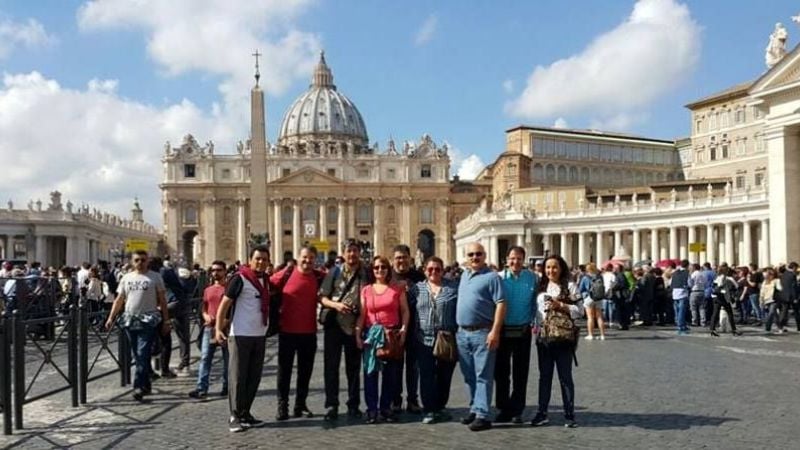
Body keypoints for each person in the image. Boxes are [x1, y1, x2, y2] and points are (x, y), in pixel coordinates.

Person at [215, 245, 271, 433]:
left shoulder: (265, 280)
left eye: (264, 259)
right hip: (240, 334)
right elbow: (224, 304)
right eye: (258, 258)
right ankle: (234, 416)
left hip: (259, 335)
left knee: (253, 377)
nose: (261, 262)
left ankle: (246, 413)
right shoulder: (240, 278)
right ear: (250, 259)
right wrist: (218, 328)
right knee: (238, 377)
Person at [104, 250, 171, 402]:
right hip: (130, 319)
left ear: (148, 261)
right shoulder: (126, 278)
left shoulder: (155, 277)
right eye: (137, 260)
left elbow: (162, 300)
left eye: (143, 260)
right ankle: (146, 383)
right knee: (138, 354)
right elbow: (119, 299)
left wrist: (166, 321)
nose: (140, 262)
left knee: (142, 352)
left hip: (148, 319)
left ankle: (138, 386)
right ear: (132, 262)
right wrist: (110, 317)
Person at [318, 240, 372, 421]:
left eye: (355, 251)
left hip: (355, 325)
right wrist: (337, 305)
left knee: (354, 367)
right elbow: (323, 298)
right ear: (343, 253)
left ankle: (353, 404)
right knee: (331, 367)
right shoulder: (334, 272)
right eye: (349, 251)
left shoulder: (366, 273)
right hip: (334, 324)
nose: (352, 255)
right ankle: (332, 404)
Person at [456, 242, 506, 432]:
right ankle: (475, 408)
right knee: (469, 375)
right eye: (471, 255)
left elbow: (501, 304)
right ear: (466, 257)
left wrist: (495, 331)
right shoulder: (464, 275)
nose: (474, 257)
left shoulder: (492, 277)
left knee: (483, 375)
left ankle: (483, 415)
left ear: (484, 256)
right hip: (462, 333)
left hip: (482, 332)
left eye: (478, 254)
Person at [355, 255, 410, 424]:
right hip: (372, 334)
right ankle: (372, 409)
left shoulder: (397, 288)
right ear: (372, 270)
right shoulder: (366, 290)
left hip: (391, 334)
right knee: (370, 374)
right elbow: (363, 315)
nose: (380, 270)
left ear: (388, 270)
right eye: (376, 267)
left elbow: (405, 311)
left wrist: (404, 329)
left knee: (390, 375)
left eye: (383, 267)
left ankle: (385, 408)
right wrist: (357, 334)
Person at [270, 246, 322, 421]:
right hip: (287, 331)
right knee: (284, 371)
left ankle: (300, 404)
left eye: (311, 258)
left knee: (305, 372)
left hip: (309, 332)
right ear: (298, 257)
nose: (307, 261)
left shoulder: (318, 276)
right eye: (305, 257)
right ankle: (282, 405)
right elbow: (265, 286)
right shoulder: (285, 274)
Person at [530, 255, 581, 429]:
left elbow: (579, 310)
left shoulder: (570, 286)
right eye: (548, 267)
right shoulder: (540, 287)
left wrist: (561, 305)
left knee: (565, 377)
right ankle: (542, 412)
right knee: (544, 377)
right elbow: (535, 312)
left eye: (555, 267)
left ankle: (569, 413)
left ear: (561, 268)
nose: (551, 271)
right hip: (543, 338)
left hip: (563, 338)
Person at [408, 256, 458, 424]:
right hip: (424, 339)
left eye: (437, 269)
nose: (434, 272)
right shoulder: (416, 289)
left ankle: (440, 407)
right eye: (430, 269)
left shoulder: (453, 288)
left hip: (446, 339)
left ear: (443, 270)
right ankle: (429, 409)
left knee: (445, 375)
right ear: (424, 270)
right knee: (427, 375)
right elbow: (407, 310)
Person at [494, 246, 536, 424]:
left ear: (523, 260)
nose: (515, 262)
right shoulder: (499, 279)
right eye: (512, 258)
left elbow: (536, 302)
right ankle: (503, 408)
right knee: (501, 373)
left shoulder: (532, 278)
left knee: (521, 373)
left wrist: (534, 321)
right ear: (506, 259)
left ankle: (517, 409)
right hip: (503, 330)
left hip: (523, 330)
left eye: (519, 258)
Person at [390, 244, 425, 414]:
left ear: (410, 259)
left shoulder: (418, 276)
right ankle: (395, 399)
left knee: (413, 366)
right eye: (398, 258)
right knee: (395, 365)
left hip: (414, 327)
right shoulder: (388, 276)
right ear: (393, 260)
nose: (401, 261)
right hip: (394, 327)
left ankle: (412, 399)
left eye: (404, 257)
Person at [188, 260, 229, 399]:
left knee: (227, 359)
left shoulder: (229, 288)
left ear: (225, 271)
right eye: (213, 270)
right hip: (209, 328)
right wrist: (206, 316)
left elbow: (232, 310)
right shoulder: (207, 290)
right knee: (205, 358)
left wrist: (223, 323)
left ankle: (227, 386)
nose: (215, 273)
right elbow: (204, 308)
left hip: (226, 329)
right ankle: (201, 388)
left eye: (219, 270)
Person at [710, 265, 741, 337]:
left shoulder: (716, 277)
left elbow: (713, 286)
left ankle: (712, 329)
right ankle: (734, 329)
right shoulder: (728, 278)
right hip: (723, 297)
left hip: (715, 296)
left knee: (715, 313)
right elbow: (736, 286)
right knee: (730, 313)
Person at [580, 263, 606, 340]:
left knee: (590, 317)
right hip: (599, 298)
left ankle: (590, 335)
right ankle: (602, 335)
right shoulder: (600, 276)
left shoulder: (585, 278)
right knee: (599, 317)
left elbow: (581, 288)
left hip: (589, 297)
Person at [761, 268, 785, 334]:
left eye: (771, 274)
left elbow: (780, 288)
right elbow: (762, 292)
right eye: (769, 275)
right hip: (767, 300)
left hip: (774, 300)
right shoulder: (765, 281)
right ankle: (780, 328)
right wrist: (761, 300)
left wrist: (777, 286)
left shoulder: (776, 280)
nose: (770, 276)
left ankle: (767, 328)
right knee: (775, 315)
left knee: (771, 313)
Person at [671, 260, 691, 335]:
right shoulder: (686, 273)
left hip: (675, 293)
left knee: (677, 310)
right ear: (687, 265)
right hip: (682, 293)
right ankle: (681, 326)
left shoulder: (675, 272)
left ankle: (681, 324)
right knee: (682, 311)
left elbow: (671, 282)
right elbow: (689, 283)